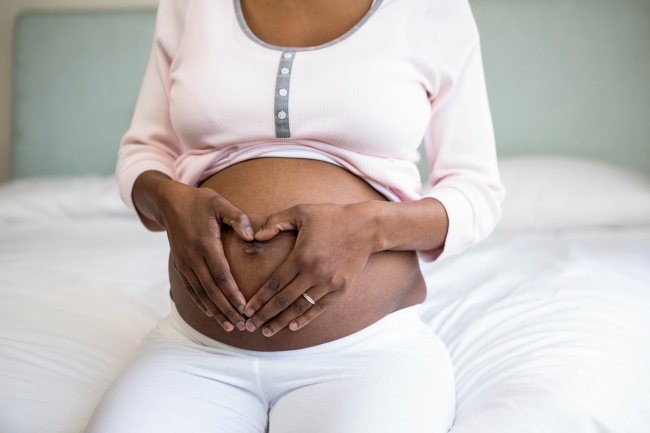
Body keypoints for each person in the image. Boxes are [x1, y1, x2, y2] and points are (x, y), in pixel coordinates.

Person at [86, 0, 503, 431]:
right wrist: (170, 201)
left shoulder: (432, 9)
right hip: (195, 348)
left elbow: (477, 190)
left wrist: (370, 228)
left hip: (368, 352)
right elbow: (144, 150)